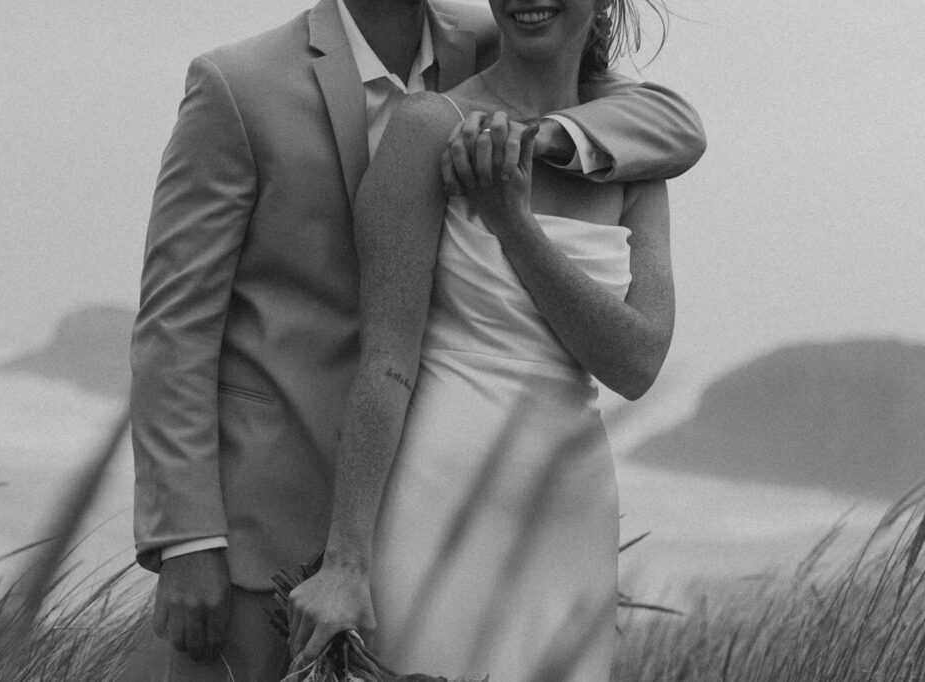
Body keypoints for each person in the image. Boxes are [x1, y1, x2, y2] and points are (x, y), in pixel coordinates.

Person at [131, 0, 703, 679]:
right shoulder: (242, 84)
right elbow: (175, 327)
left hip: (562, 505)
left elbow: (674, 123)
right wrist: (186, 538)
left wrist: (533, 146)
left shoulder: (496, 39)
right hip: (292, 506)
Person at [286, 0, 679, 679]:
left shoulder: (633, 154)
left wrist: (512, 222)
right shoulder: (429, 126)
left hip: (570, 511)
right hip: (439, 497)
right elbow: (386, 362)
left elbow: (636, 363)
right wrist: (345, 561)